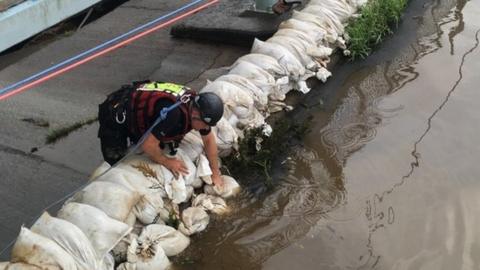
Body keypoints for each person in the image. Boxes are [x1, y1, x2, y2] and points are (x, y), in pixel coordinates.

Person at [98, 81, 225, 187]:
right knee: (115, 163)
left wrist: (215, 172)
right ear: (196, 115)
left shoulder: (195, 104)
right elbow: (147, 145)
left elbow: (208, 140)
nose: (206, 128)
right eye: (206, 124)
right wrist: (167, 161)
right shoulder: (174, 114)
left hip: (139, 107)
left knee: (152, 138)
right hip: (116, 111)